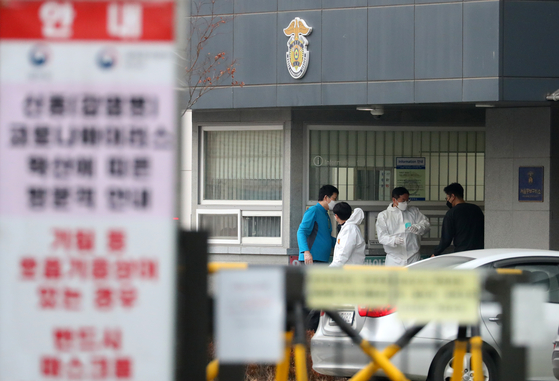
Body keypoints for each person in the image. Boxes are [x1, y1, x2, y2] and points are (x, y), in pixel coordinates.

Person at [376, 187, 430, 266]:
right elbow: (381, 236)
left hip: (413, 257)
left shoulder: (414, 212)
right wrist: (393, 240)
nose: (406, 203)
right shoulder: (384, 215)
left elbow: (426, 223)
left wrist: (418, 227)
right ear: (394, 200)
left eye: (407, 200)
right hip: (394, 260)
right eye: (403, 200)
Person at [433, 183, 484, 256]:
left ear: (453, 196)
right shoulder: (477, 209)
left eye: (447, 197)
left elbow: (446, 239)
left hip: (462, 253)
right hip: (479, 252)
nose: (447, 200)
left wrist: (436, 253)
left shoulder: (451, 213)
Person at [297, 184, 338, 264]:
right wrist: (306, 252)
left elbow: (326, 236)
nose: (335, 202)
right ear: (326, 197)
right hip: (311, 259)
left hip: (322, 259)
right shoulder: (313, 211)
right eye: (334, 199)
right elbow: (301, 232)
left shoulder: (326, 214)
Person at [329, 202, 366, 267]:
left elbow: (343, 253)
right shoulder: (348, 228)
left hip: (350, 271)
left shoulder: (349, 229)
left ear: (336, 216)